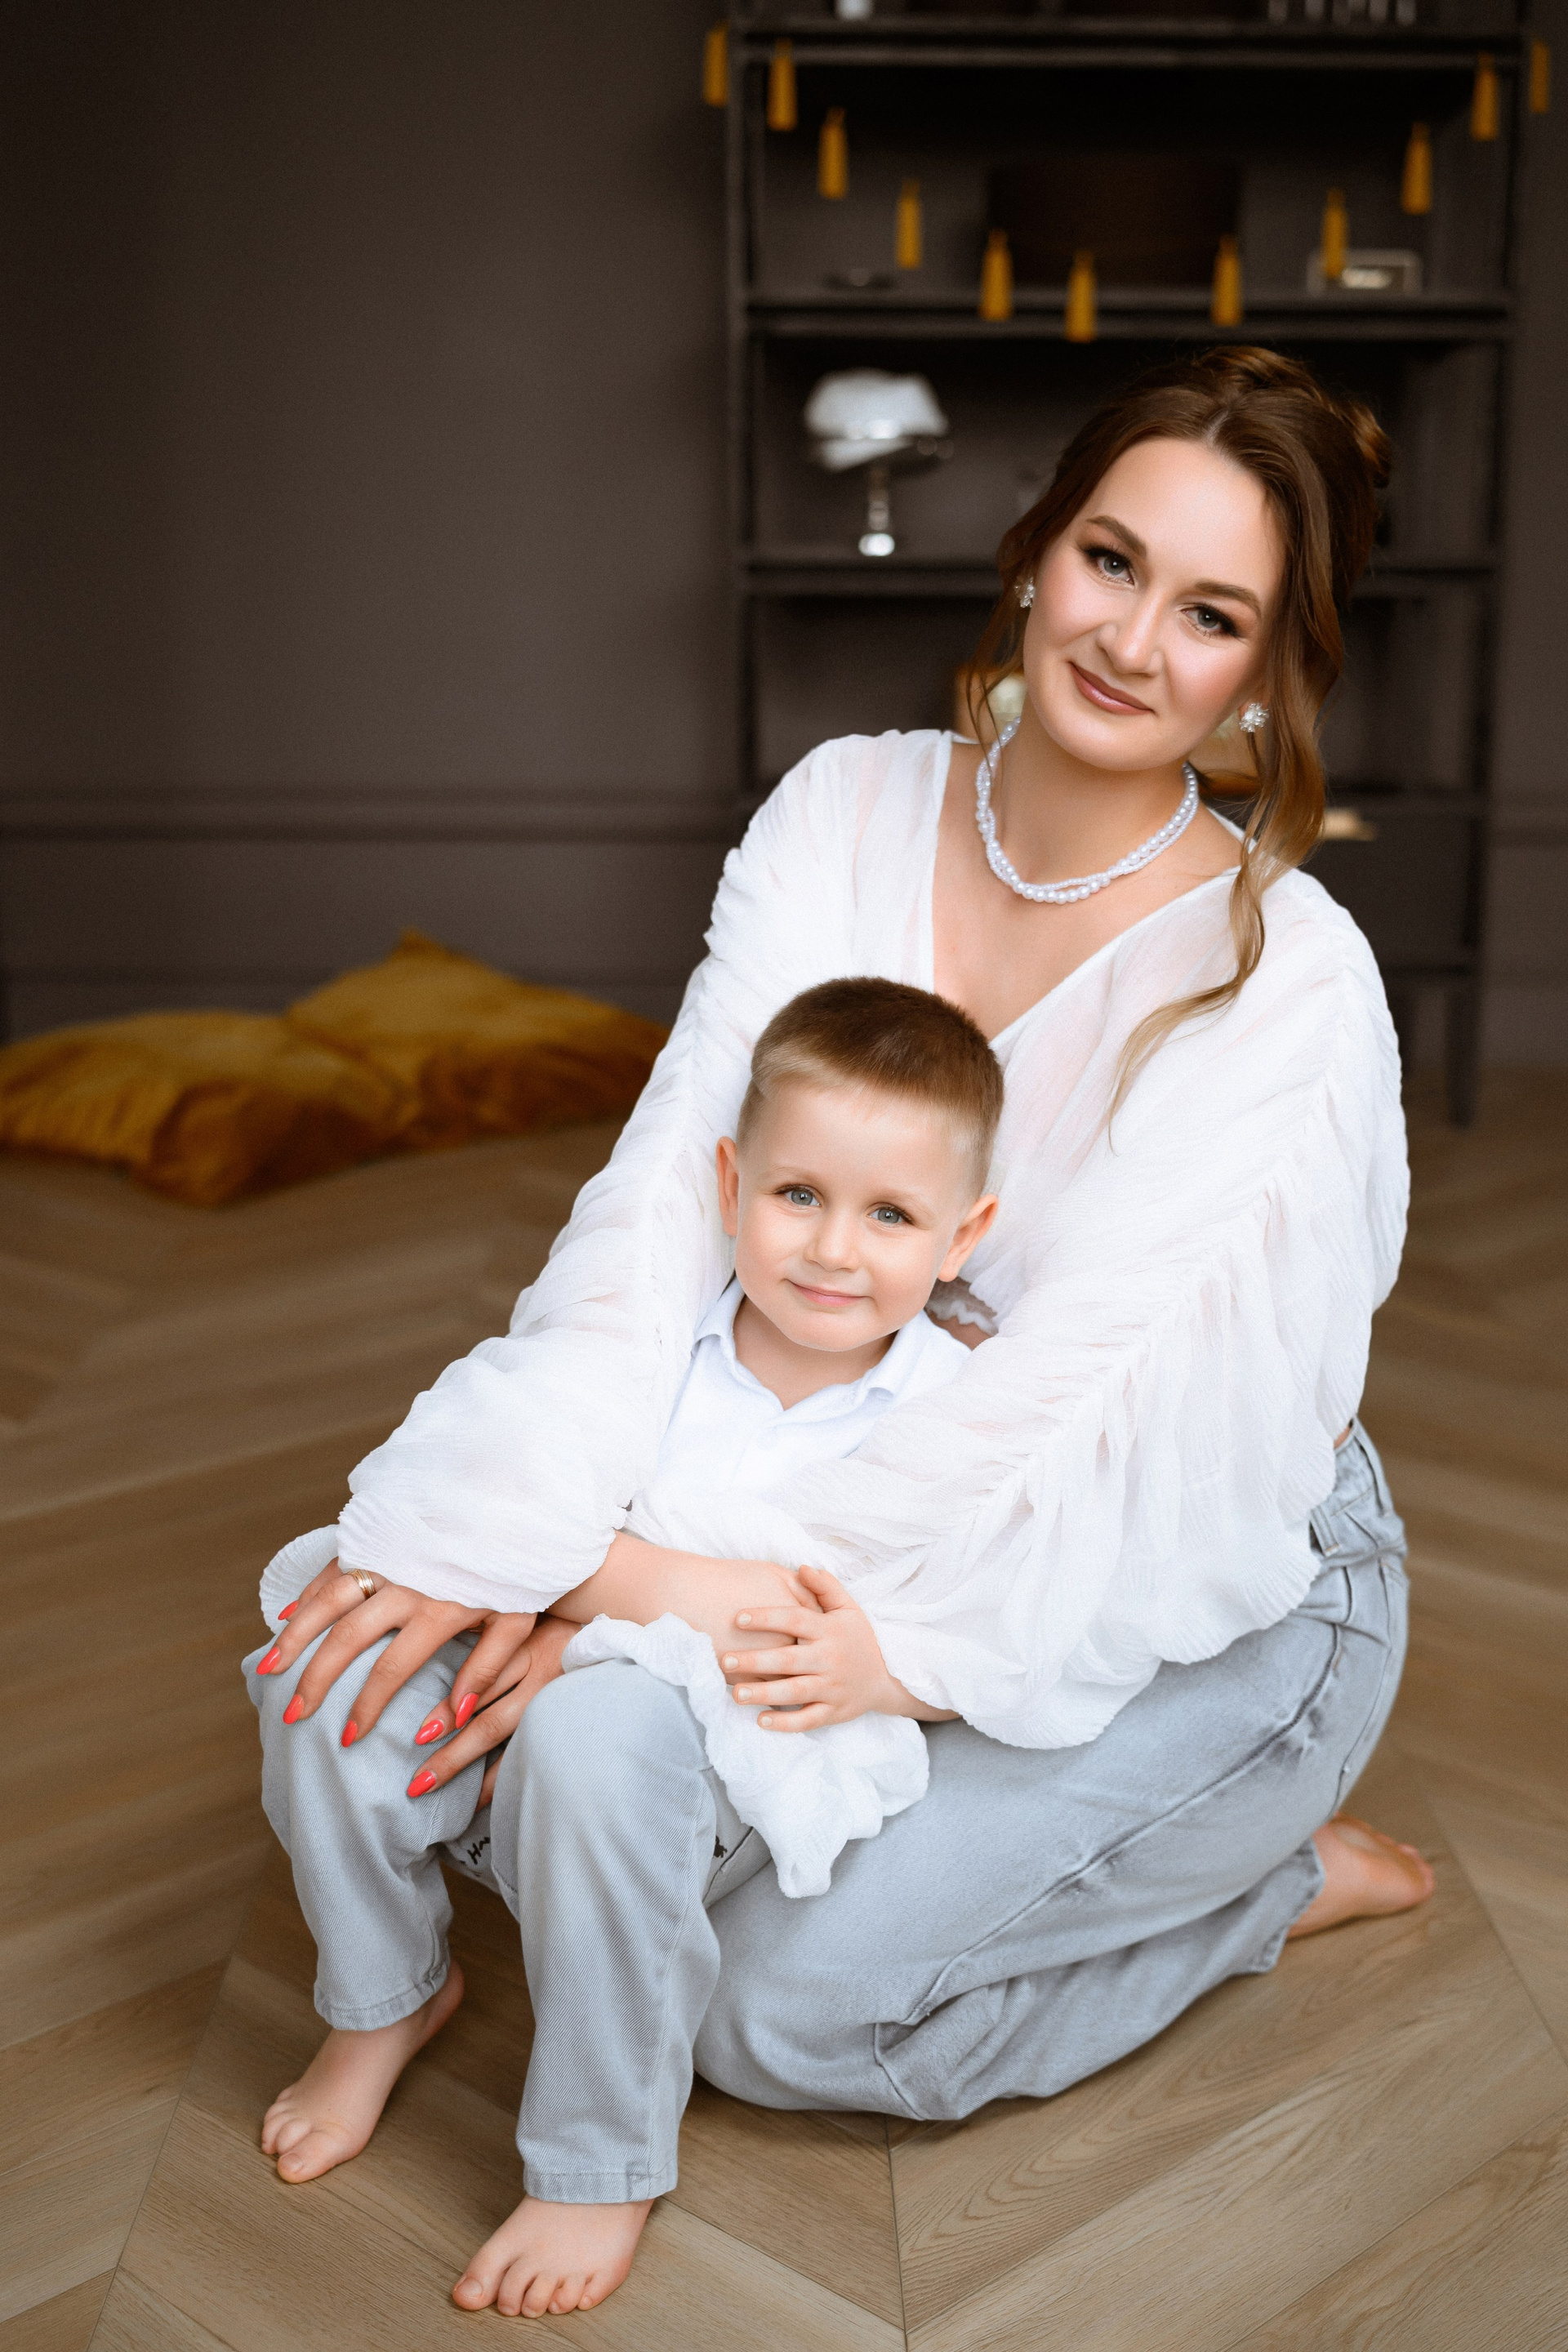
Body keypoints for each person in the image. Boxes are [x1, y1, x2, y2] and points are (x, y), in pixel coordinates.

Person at [249, 345, 1433, 2321]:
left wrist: (616, 1585)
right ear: (1037, 549)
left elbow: (1061, 1426)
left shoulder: (1287, 979)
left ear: (1269, 671)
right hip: (814, 1470)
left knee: (782, 2019)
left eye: (1211, 613)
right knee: (430, 1675)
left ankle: (1258, 1879)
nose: (1133, 640)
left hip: (1187, 1569)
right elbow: (666, 1207)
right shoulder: (847, 808)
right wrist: (516, 1523)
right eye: (1111, 560)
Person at [246, 982, 1004, 2179]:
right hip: (528, 1649)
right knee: (321, 1673)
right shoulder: (652, 1344)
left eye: (892, 1215)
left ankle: (597, 2155)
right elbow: (520, 1485)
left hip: (711, 1742)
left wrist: (883, 1674)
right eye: (798, 1195)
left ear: (962, 1237)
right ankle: (384, 1994)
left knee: (597, 1737)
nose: (832, 1249)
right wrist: (540, 1571)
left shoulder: (953, 1413)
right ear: (731, 1186)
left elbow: (977, 1633)